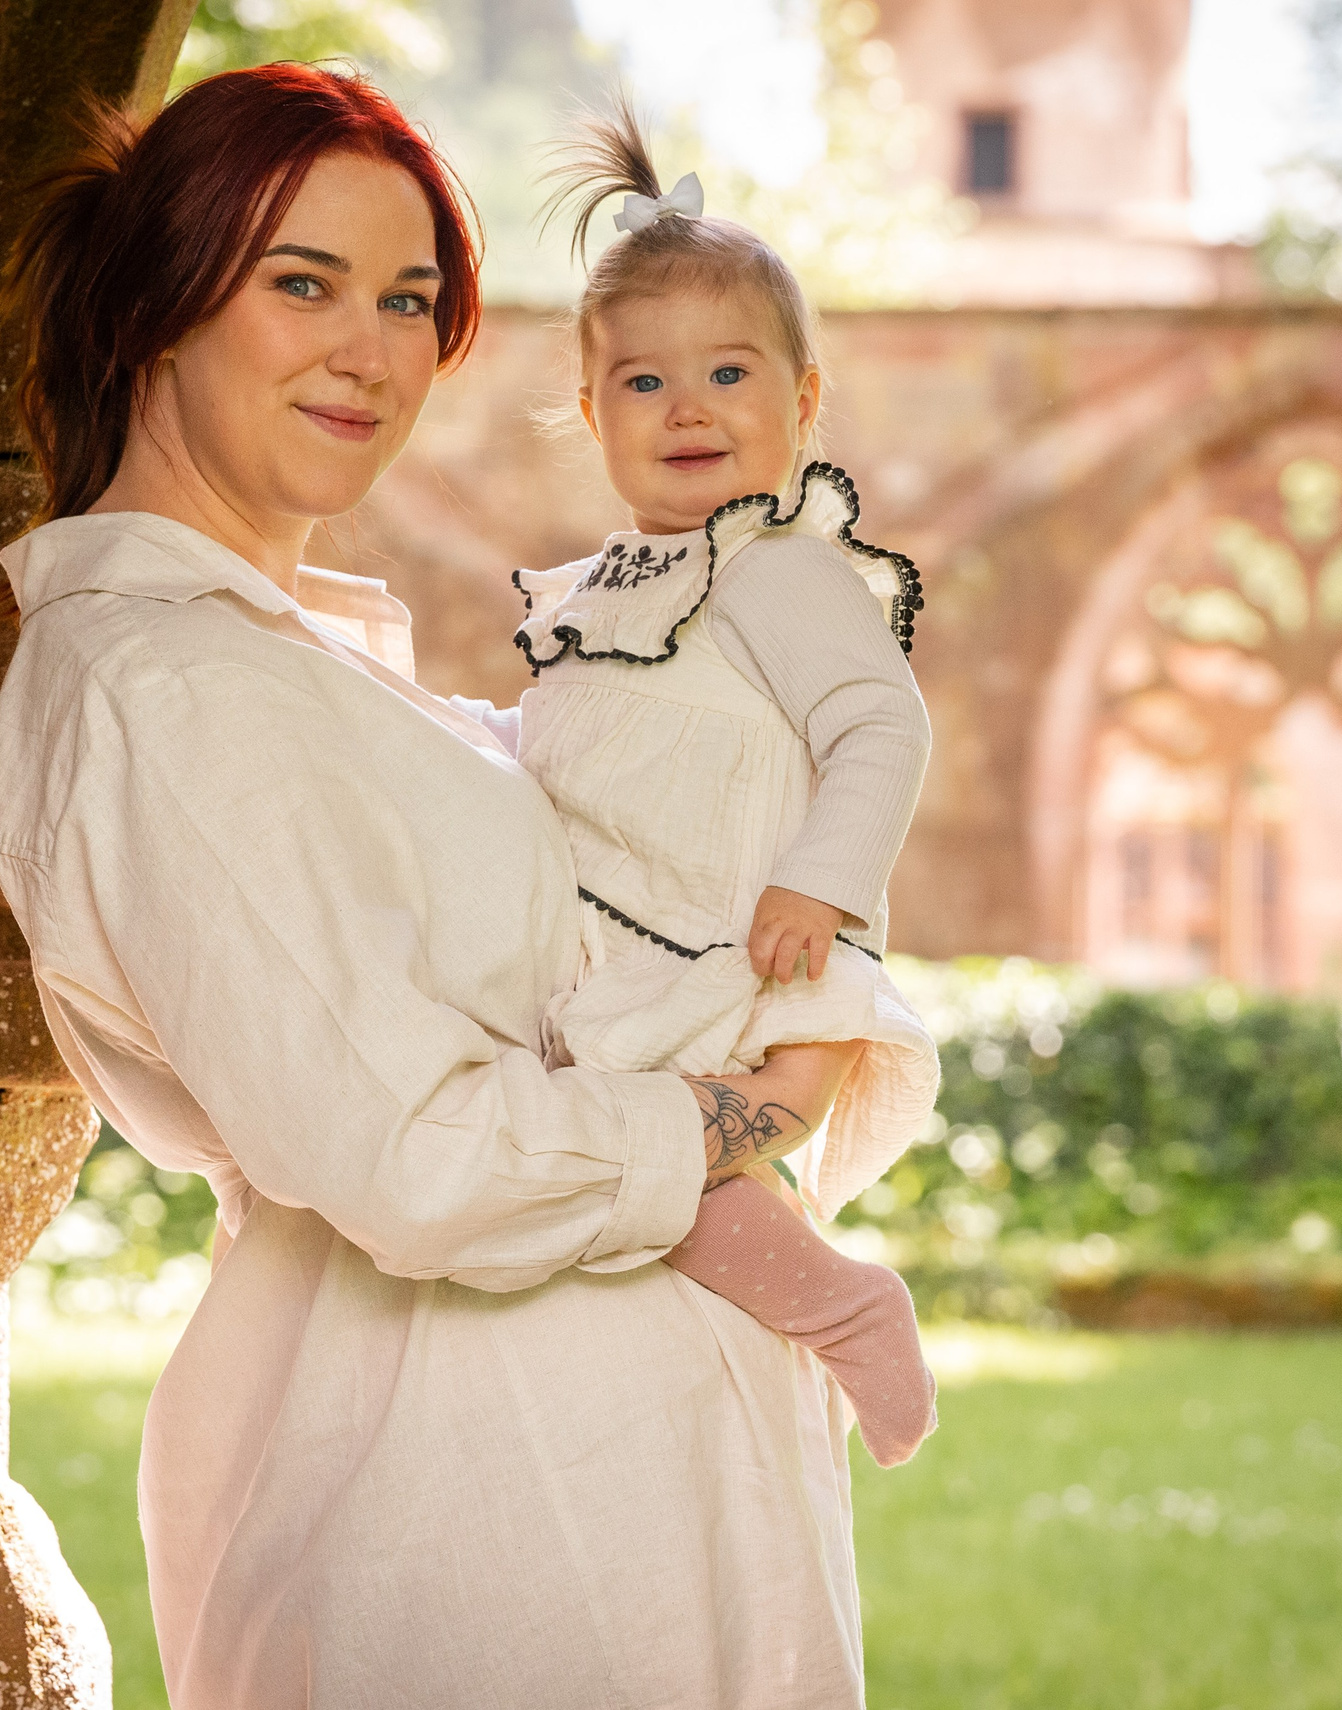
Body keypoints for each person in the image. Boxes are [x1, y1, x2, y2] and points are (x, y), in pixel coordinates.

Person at [0, 64, 875, 1710]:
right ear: (154, 306)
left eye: (408, 298)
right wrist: (739, 1115)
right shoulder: (162, 686)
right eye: (300, 282)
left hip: (624, 1518)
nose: (371, 349)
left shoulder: (297, 662)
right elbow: (412, 1154)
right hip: (482, 1539)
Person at [508, 107, 942, 1468]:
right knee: (609, 1165)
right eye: (642, 384)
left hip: (736, 951)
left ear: (803, 403)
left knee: (664, 1168)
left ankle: (847, 1305)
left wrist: (823, 878)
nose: (687, 406)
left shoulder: (777, 568)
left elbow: (882, 724)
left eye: (730, 374)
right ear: (591, 416)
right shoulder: (606, 591)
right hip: (622, 944)